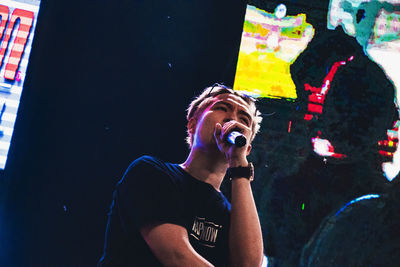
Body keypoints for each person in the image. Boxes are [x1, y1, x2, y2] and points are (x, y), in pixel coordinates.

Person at [98, 84, 264, 267]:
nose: (233, 121)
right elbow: (177, 257)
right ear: (192, 125)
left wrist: (240, 167)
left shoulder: (234, 220)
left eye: (244, 119)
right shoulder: (150, 173)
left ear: (247, 148)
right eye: (222, 108)